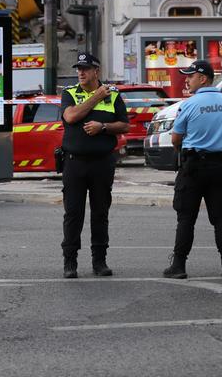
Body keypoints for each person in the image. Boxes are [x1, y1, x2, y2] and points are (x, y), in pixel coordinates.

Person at [162, 59, 222, 280]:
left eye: (190, 76)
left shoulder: (188, 104)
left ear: (203, 78)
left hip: (193, 166)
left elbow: (176, 138)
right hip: (219, 166)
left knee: (186, 218)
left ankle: (178, 266)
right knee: (221, 218)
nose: (187, 80)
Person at [60, 52, 130, 279]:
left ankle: (99, 262)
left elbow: (124, 126)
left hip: (102, 163)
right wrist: (96, 97)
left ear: (96, 71)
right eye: (78, 68)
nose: (80, 72)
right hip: (74, 164)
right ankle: (70, 263)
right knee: (73, 214)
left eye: (85, 68)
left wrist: (103, 127)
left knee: (100, 213)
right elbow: (70, 117)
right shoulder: (70, 93)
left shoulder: (113, 95)